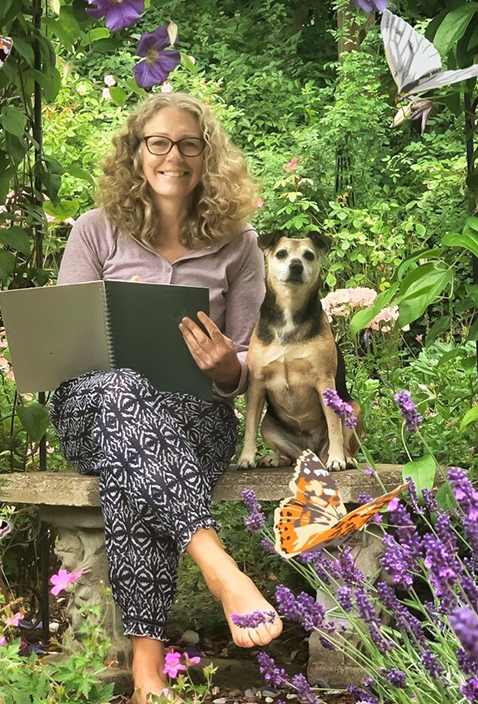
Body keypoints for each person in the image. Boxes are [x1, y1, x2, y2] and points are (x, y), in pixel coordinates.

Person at [47, 92, 282, 703]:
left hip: (198, 415)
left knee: (136, 466)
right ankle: (220, 567)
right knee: (124, 397)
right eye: (158, 142)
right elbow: (64, 349)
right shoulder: (95, 231)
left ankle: (148, 682)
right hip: (93, 409)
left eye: (188, 144)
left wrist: (229, 368)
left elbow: (248, 370)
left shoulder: (240, 244)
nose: (172, 155)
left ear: (208, 157)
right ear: (136, 152)